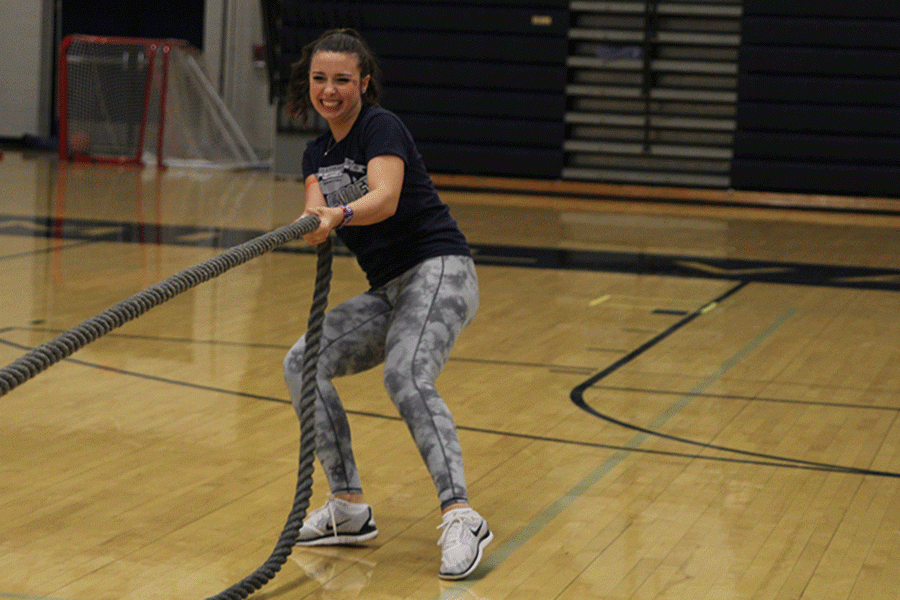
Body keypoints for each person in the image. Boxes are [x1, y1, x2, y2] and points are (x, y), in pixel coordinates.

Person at [281, 28, 492, 581]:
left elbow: (384, 196)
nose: (329, 91)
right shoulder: (314, 151)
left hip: (439, 269)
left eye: (342, 80)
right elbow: (314, 210)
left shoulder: (380, 126)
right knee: (302, 362)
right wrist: (314, 223)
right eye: (320, 79)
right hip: (390, 290)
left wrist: (339, 215)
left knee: (406, 373)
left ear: (363, 83)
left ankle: (461, 514)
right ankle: (348, 508)